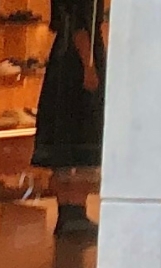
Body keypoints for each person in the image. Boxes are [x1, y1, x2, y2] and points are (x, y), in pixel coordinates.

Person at [35, 0, 107, 237]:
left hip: (65, 58)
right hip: (79, 60)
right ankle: (74, 211)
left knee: (66, 133)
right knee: (82, 130)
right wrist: (88, 66)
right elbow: (79, 24)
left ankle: (68, 211)